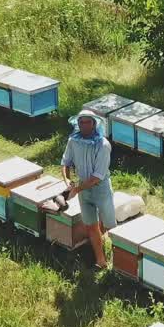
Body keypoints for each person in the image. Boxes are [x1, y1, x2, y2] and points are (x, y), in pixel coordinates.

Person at [61, 109, 115, 268]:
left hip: (101, 188)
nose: (84, 125)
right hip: (83, 188)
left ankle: (112, 250)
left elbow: (97, 176)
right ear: (77, 124)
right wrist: (67, 182)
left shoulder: (103, 145)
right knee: (90, 224)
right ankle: (101, 260)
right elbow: (65, 163)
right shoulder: (73, 141)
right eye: (81, 122)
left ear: (94, 124)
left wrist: (76, 190)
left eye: (87, 122)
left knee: (109, 223)